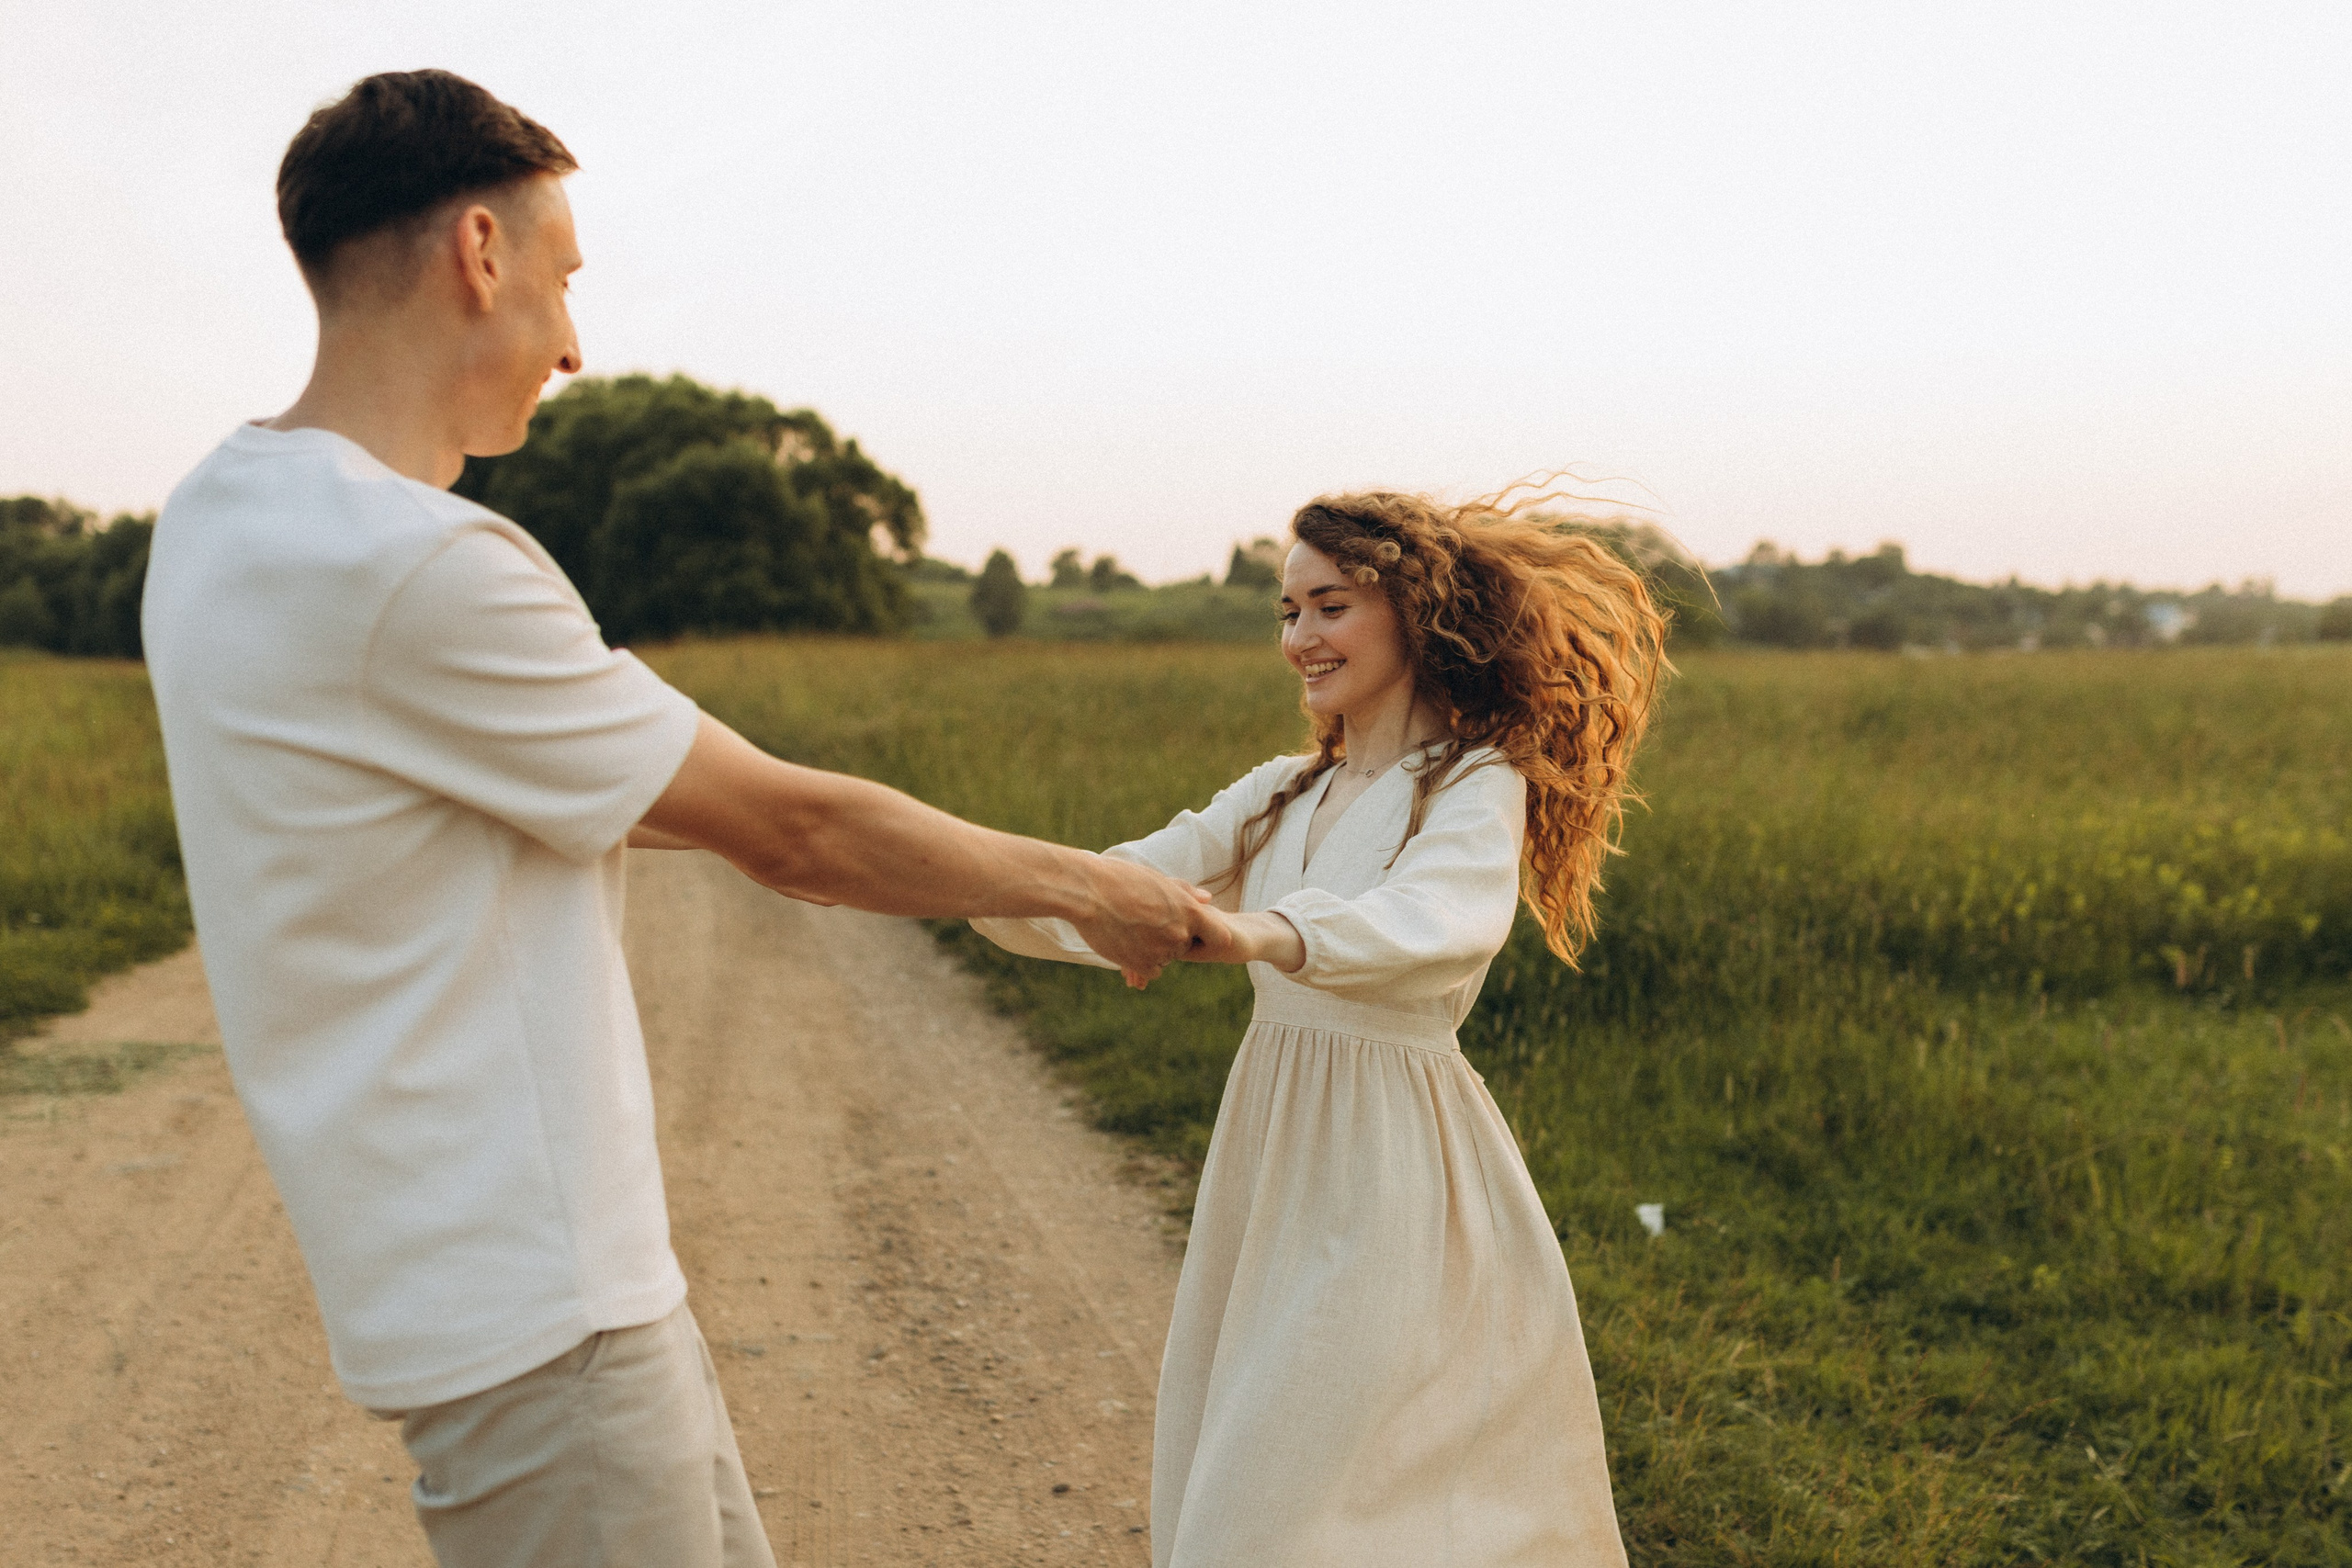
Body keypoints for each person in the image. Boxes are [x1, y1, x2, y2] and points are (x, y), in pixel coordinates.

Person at [140, 70, 1213, 1568]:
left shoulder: (221, 517)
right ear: (478, 251)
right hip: (541, 1309)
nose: (574, 345)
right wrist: (1095, 888)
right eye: (565, 279)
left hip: (477, 1293)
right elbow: (792, 829)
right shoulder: (416, 564)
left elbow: (599, 796)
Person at [973, 489, 1670, 1566]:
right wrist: (964, 880)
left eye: (1328, 606)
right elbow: (1118, 884)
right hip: (1273, 1157)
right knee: (1249, 1458)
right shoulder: (1278, 793)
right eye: (1287, 613)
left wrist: (1263, 937)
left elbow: (1437, 922)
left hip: (1397, 1170)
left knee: (1298, 1498)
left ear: (1414, 610)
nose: (1300, 639)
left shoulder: (1472, 783)